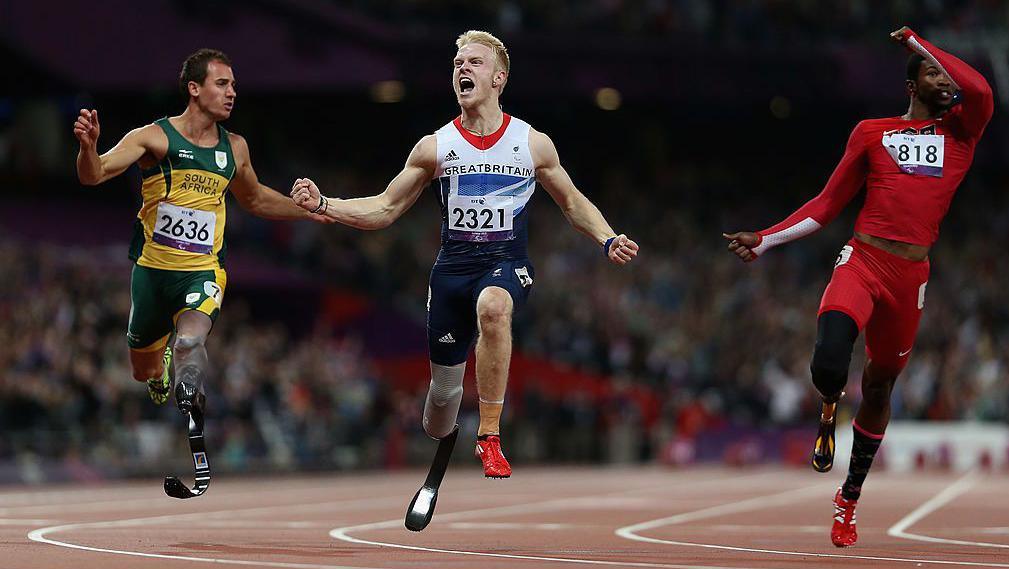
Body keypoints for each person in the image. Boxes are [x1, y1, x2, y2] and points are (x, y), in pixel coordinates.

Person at [291, 30, 639, 479]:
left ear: (499, 78)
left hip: (506, 263)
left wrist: (607, 238)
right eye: (457, 64)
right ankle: (447, 427)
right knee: (440, 406)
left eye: (473, 62)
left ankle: (490, 435)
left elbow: (572, 202)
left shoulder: (532, 144)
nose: (462, 69)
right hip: (451, 274)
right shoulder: (435, 147)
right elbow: (384, 207)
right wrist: (325, 205)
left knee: (494, 308)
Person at [724, 27, 992, 547]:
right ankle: (829, 407)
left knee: (880, 386)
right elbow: (826, 206)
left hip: (910, 277)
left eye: (945, 73)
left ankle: (848, 498)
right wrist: (764, 240)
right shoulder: (872, 132)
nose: (945, 80)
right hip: (864, 260)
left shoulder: (962, 132)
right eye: (932, 73)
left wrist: (923, 45)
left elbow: (980, 90)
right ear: (911, 87)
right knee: (828, 360)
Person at [74, 49, 323, 481]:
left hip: (202, 269)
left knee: (192, 338)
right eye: (222, 84)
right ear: (194, 88)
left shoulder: (235, 148)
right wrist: (88, 148)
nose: (232, 93)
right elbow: (92, 175)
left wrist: (309, 209)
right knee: (142, 370)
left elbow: (256, 198)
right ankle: (162, 370)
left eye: (233, 85)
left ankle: (189, 390)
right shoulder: (153, 138)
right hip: (151, 273)